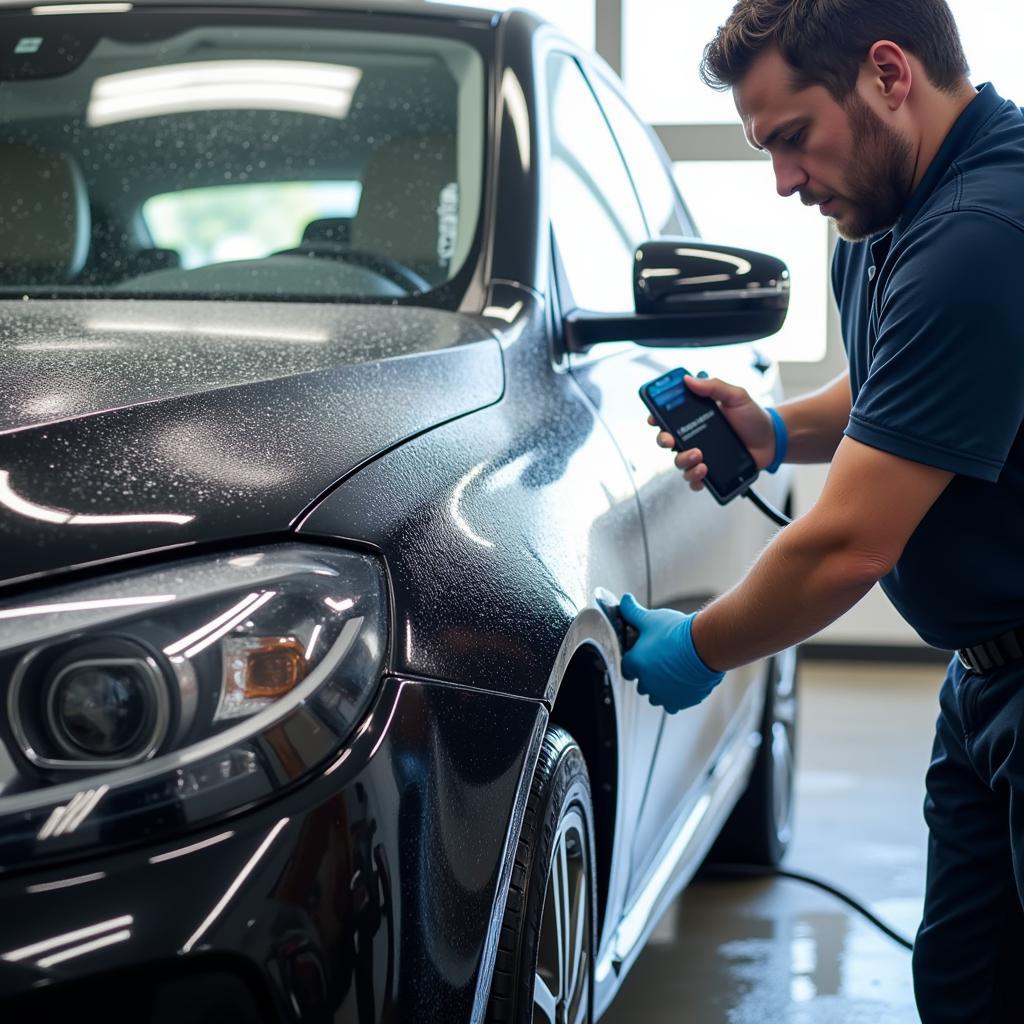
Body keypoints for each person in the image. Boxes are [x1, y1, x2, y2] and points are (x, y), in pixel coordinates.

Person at [616, 1, 1024, 1019]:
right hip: (984, 684)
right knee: (965, 985)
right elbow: (891, 389)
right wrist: (769, 429)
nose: (784, 181)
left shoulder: (985, 234)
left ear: (888, 73)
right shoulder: (884, 214)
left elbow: (845, 546)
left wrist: (700, 645)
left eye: (793, 138)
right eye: (763, 150)